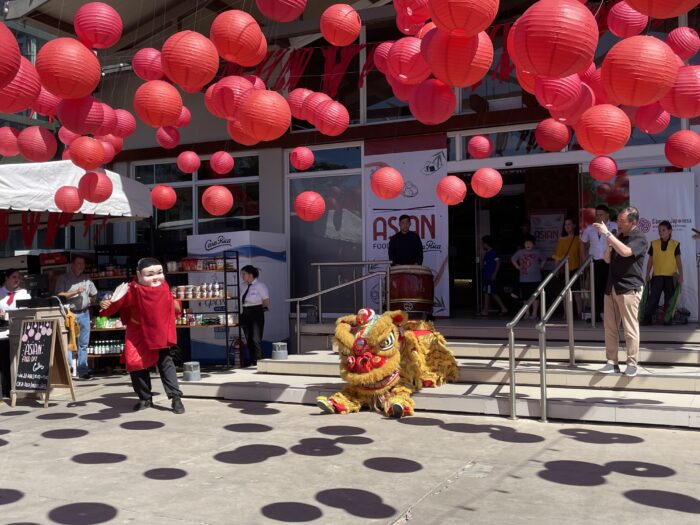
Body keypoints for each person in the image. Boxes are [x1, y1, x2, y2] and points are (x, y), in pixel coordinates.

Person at [99, 257, 184, 413]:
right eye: (150, 274)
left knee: (165, 362)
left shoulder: (164, 286)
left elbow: (174, 305)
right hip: (137, 331)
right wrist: (106, 304)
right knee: (135, 363)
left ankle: (175, 397)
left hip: (158, 330)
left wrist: (175, 304)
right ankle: (145, 398)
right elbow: (115, 305)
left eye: (159, 273)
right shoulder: (131, 289)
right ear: (139, 275)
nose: (156, 277)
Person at [594, 207, 648, 377]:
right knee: (610, 327)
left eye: (622, 221)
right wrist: (609, 243)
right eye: (618, 220)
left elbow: (625, 252)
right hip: (612, 287)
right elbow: (606, 259)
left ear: (634, 222)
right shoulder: (617, 236)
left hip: (629, 287)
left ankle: (632, 363)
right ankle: (612, 362)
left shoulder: (639, 237)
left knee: (630, 328)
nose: (619, 223)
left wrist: (607, 235)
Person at [55, 256, 97, 380]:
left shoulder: (86, 278)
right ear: (72, 265)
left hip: (84, 313)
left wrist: (90, 301)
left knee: (83, 344)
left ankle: (83, 372)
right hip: (69, 314)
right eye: (79, 263)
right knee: (68, 343)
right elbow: (59, 295)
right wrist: (76, 292)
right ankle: (68, 372)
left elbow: (94, 293)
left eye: (83, 263)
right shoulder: (64, 278)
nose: (81, 266)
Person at [581, 205, 618, 323]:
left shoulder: (614, 226)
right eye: (596, 214)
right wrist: (584, 259)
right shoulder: (590, 228)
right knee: (596, 288)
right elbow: (582, 242)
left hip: (610, 262)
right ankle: (596, 314)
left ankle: (610, 315)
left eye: (601, 214)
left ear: (607, 215)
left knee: (609, 288)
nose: (598, 216)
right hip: (595, 262)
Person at [643, 221, 683, 325]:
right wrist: (647, 274)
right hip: (657, 276)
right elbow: (650, 261)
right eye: (659, 230)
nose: (661, 232)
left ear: (670, 231)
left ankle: (667, 319)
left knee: (669, 299)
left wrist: (681, 275)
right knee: (653, 298)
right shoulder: (654, 243)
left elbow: (678, 261)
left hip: (670, 277)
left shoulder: (675, 244)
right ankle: (647, 319)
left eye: (663, 230)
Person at [0, 269, 31, 398]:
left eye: (18, 277)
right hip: (2, 334)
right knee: (4, 365)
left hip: (19, 333)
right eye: (13, 277)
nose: (17, 279)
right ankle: (4, 392)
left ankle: (18, 391)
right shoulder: (0, 293)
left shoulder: (24, 294)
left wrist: (6, 315)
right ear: (6, 278)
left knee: (17, 363)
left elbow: (27, 312)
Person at [552, 217, 583, 319]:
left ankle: (580, 313)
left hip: (576, 268)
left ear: (574, 225)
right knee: (564, 293)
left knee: (577, 292)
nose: (567, 226)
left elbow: (582, 254)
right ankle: (566, 314)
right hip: (564, 269)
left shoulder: (578, 239)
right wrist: (556, 269)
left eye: (569, 224)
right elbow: (557, 256)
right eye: (565, 225)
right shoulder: (561, 240)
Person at [240, 265, 270, 367]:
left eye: (244, 274)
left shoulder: (260, 285)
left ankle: (259, 362)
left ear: (250, 275)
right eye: (242, 274)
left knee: (256, 339)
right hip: (245, 312)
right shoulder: (243, 285)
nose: (242, 276)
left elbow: (266, 301)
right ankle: (253, 361)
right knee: (248, 339)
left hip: (256, 312)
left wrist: (258, 309)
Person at [511, 235, 545, 319]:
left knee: (535, 296)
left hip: (536, 278)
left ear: (533, 244)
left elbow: (544, 259)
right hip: (524, 278)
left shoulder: (537, 252)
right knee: (525, 297)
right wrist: (517, 267)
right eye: (526, 243)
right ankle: (527, 313)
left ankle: (534, 313)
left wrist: (541, 266)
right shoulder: (520, 252)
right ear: (524, 244)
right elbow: (513, 259)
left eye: (530, 243)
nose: (528, 245)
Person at [478, 235, 508, 317]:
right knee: (491, 292)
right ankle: (503, 308)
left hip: (490, 276)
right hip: (487, 275)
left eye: (483, 243)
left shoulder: (493, 252)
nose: (482, 244)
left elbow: (498, 263)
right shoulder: (487, 252)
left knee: (488, 293)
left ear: (486, 243)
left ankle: (486, 310)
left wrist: (494, 274)